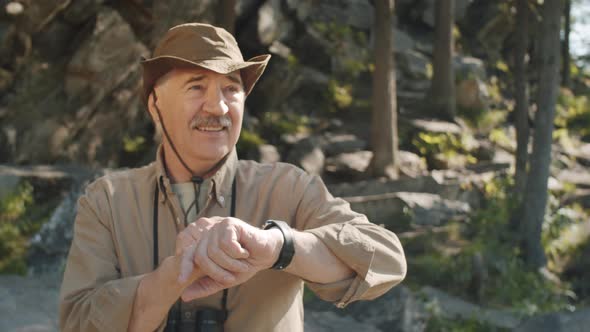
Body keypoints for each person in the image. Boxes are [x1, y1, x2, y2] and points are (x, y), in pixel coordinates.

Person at [59, 22, 407, 332]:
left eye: (231, 89)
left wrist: (278, 246)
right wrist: (171, 278)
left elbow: (386, 259)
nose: (218, 107)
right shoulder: (107, 200)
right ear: (155, 105)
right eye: (196, 87)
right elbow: (75, 322)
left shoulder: (289, 187)